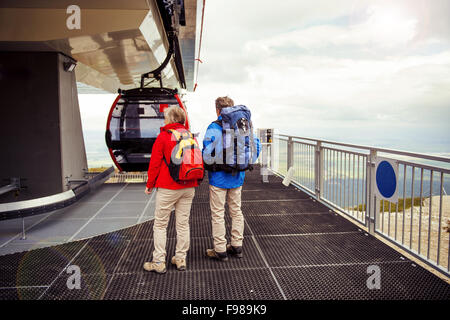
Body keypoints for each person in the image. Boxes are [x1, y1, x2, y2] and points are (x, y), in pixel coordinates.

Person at [202, 96, 261, 261]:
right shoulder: (243, 126)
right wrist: (242, 163)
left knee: (218, 213)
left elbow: (207, 154)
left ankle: (220, 250)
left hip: (218, 180)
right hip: (237, 178)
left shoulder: (214, 127)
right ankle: (237, 245)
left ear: (217, 110)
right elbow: (256, 148)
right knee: (236, 211)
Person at [143, 106, 198, 274]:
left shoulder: (163, 137)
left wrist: (150, 184)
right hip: (189, 185)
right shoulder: (190, 136)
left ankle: (159, 261)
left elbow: (155, 164)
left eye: (165, 117)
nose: (164, 120)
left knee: (160, 224)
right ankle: (180, 258)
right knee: (182, 224)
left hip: (168, 187)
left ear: (171, 119)